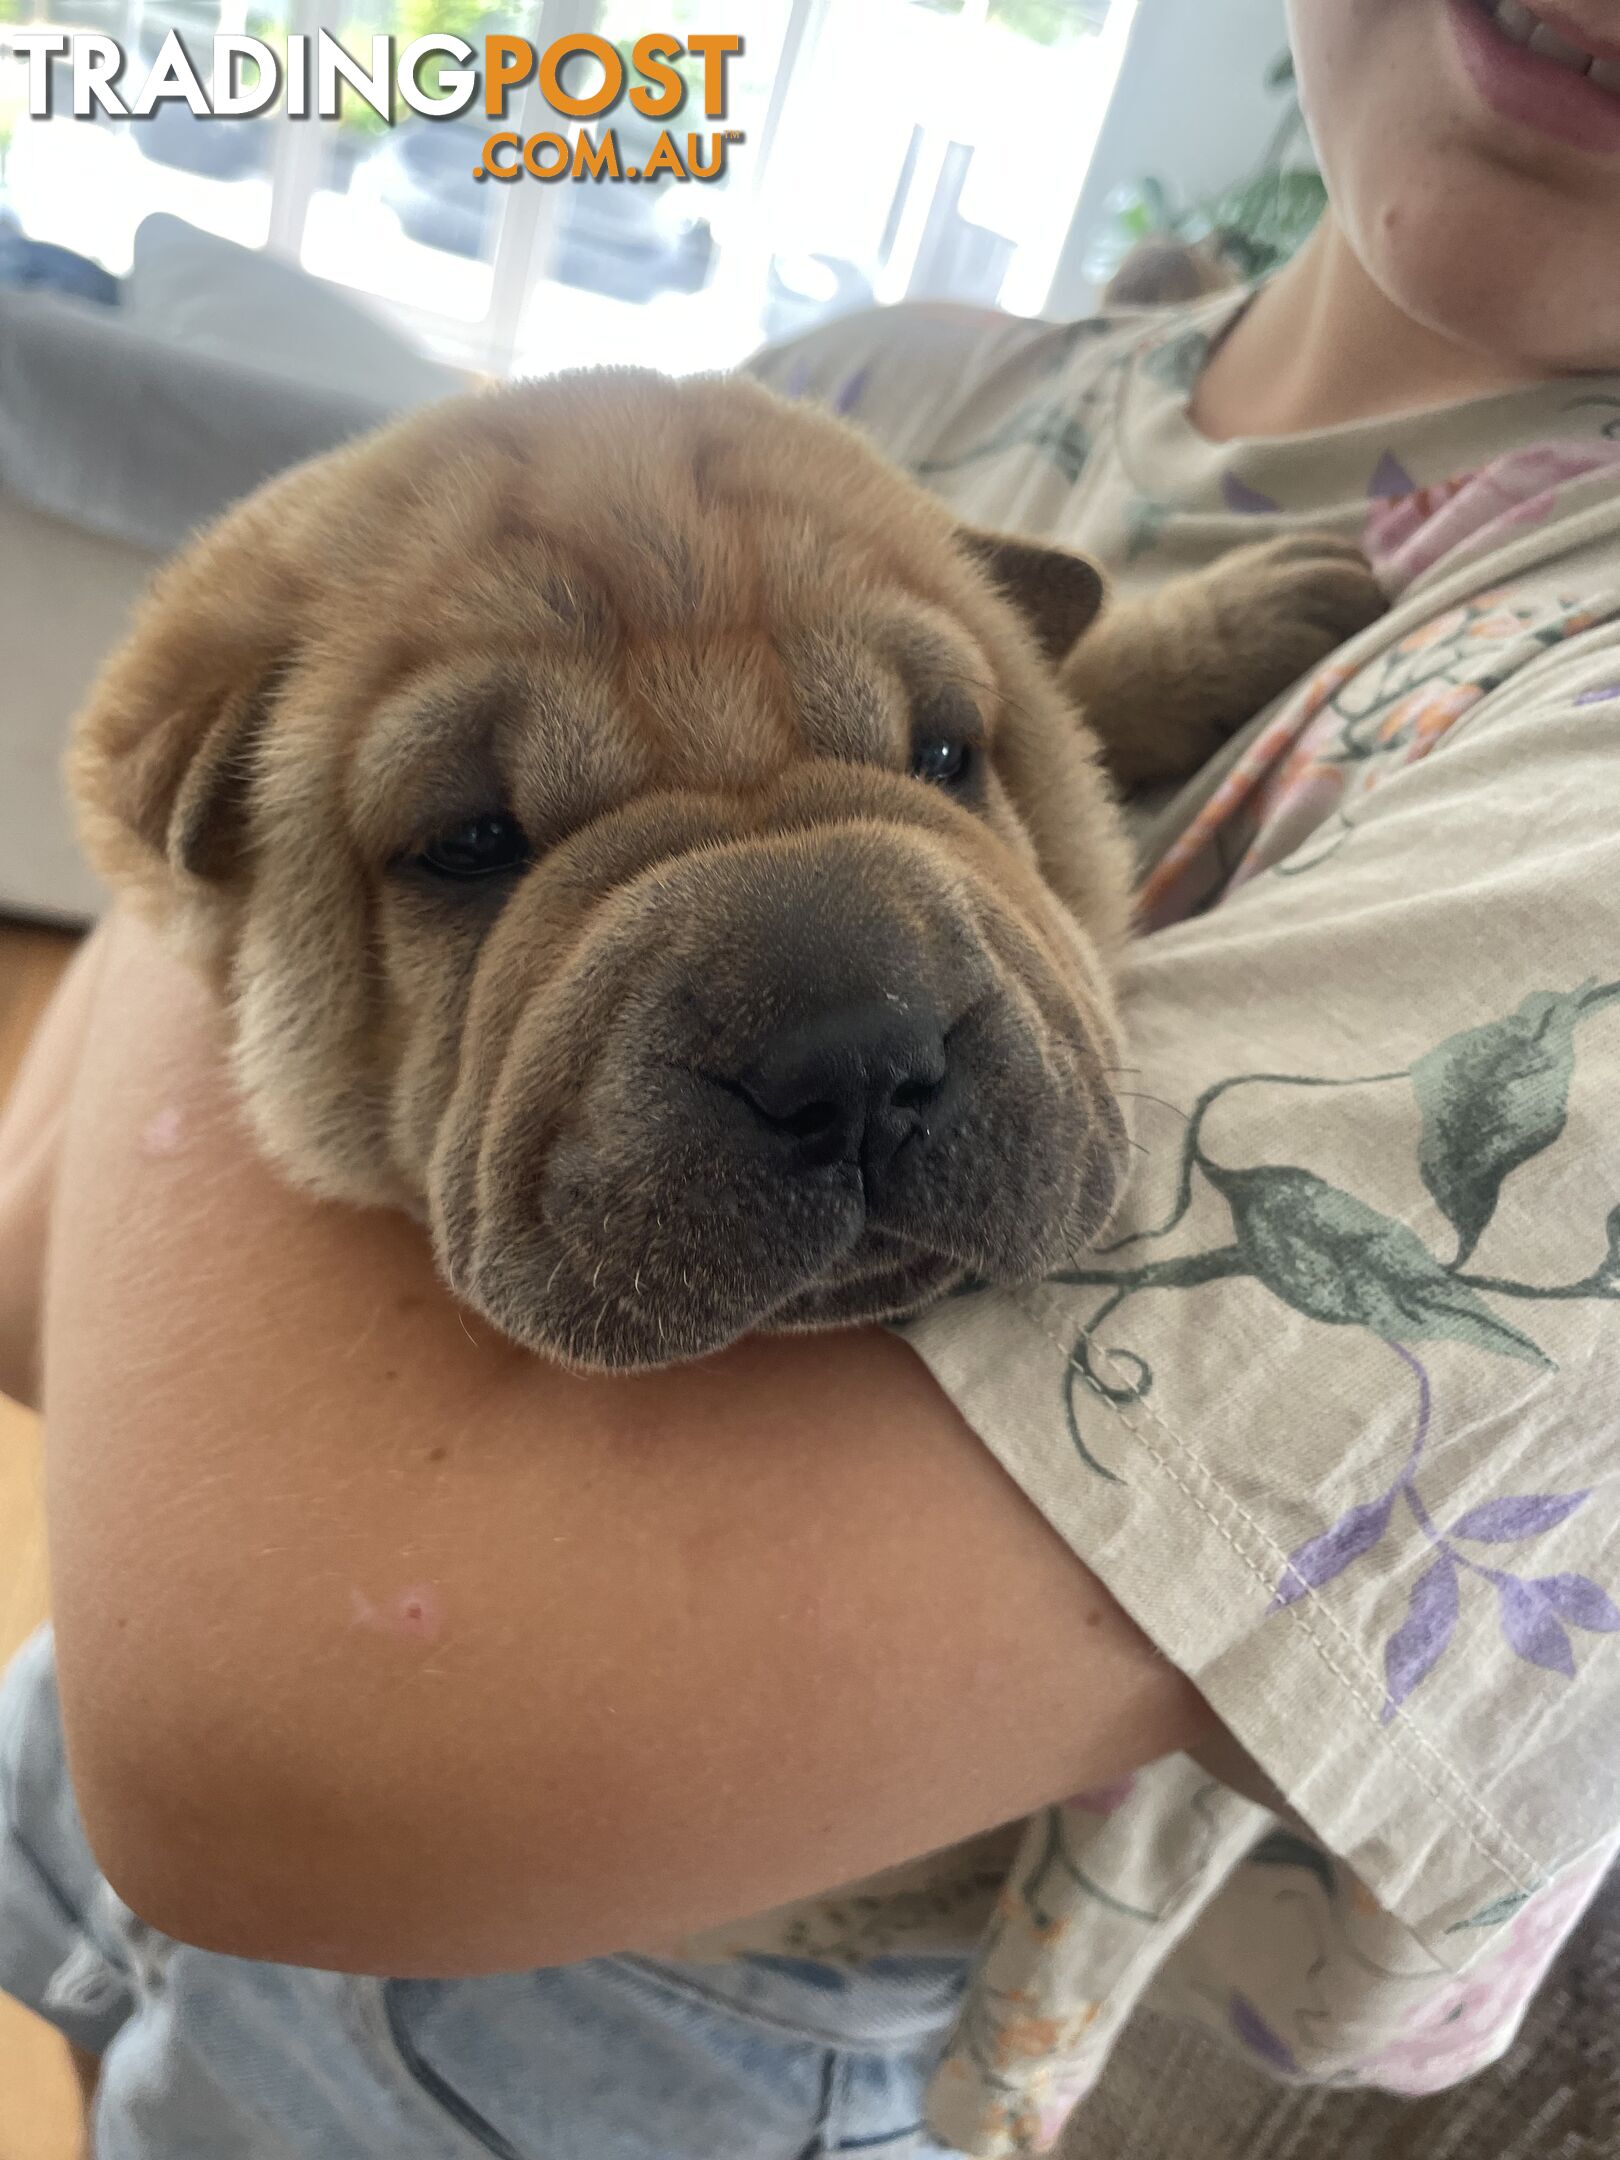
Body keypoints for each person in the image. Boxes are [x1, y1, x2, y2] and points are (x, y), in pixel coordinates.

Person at [4, 1, 1620, 2153]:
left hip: (658, 2033)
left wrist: (241, 955)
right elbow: (34, 1269)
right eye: (488, 838)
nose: (838, 1045)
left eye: (940, 751)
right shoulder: (908, 387)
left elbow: (288, 1755)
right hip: (70, 1742)